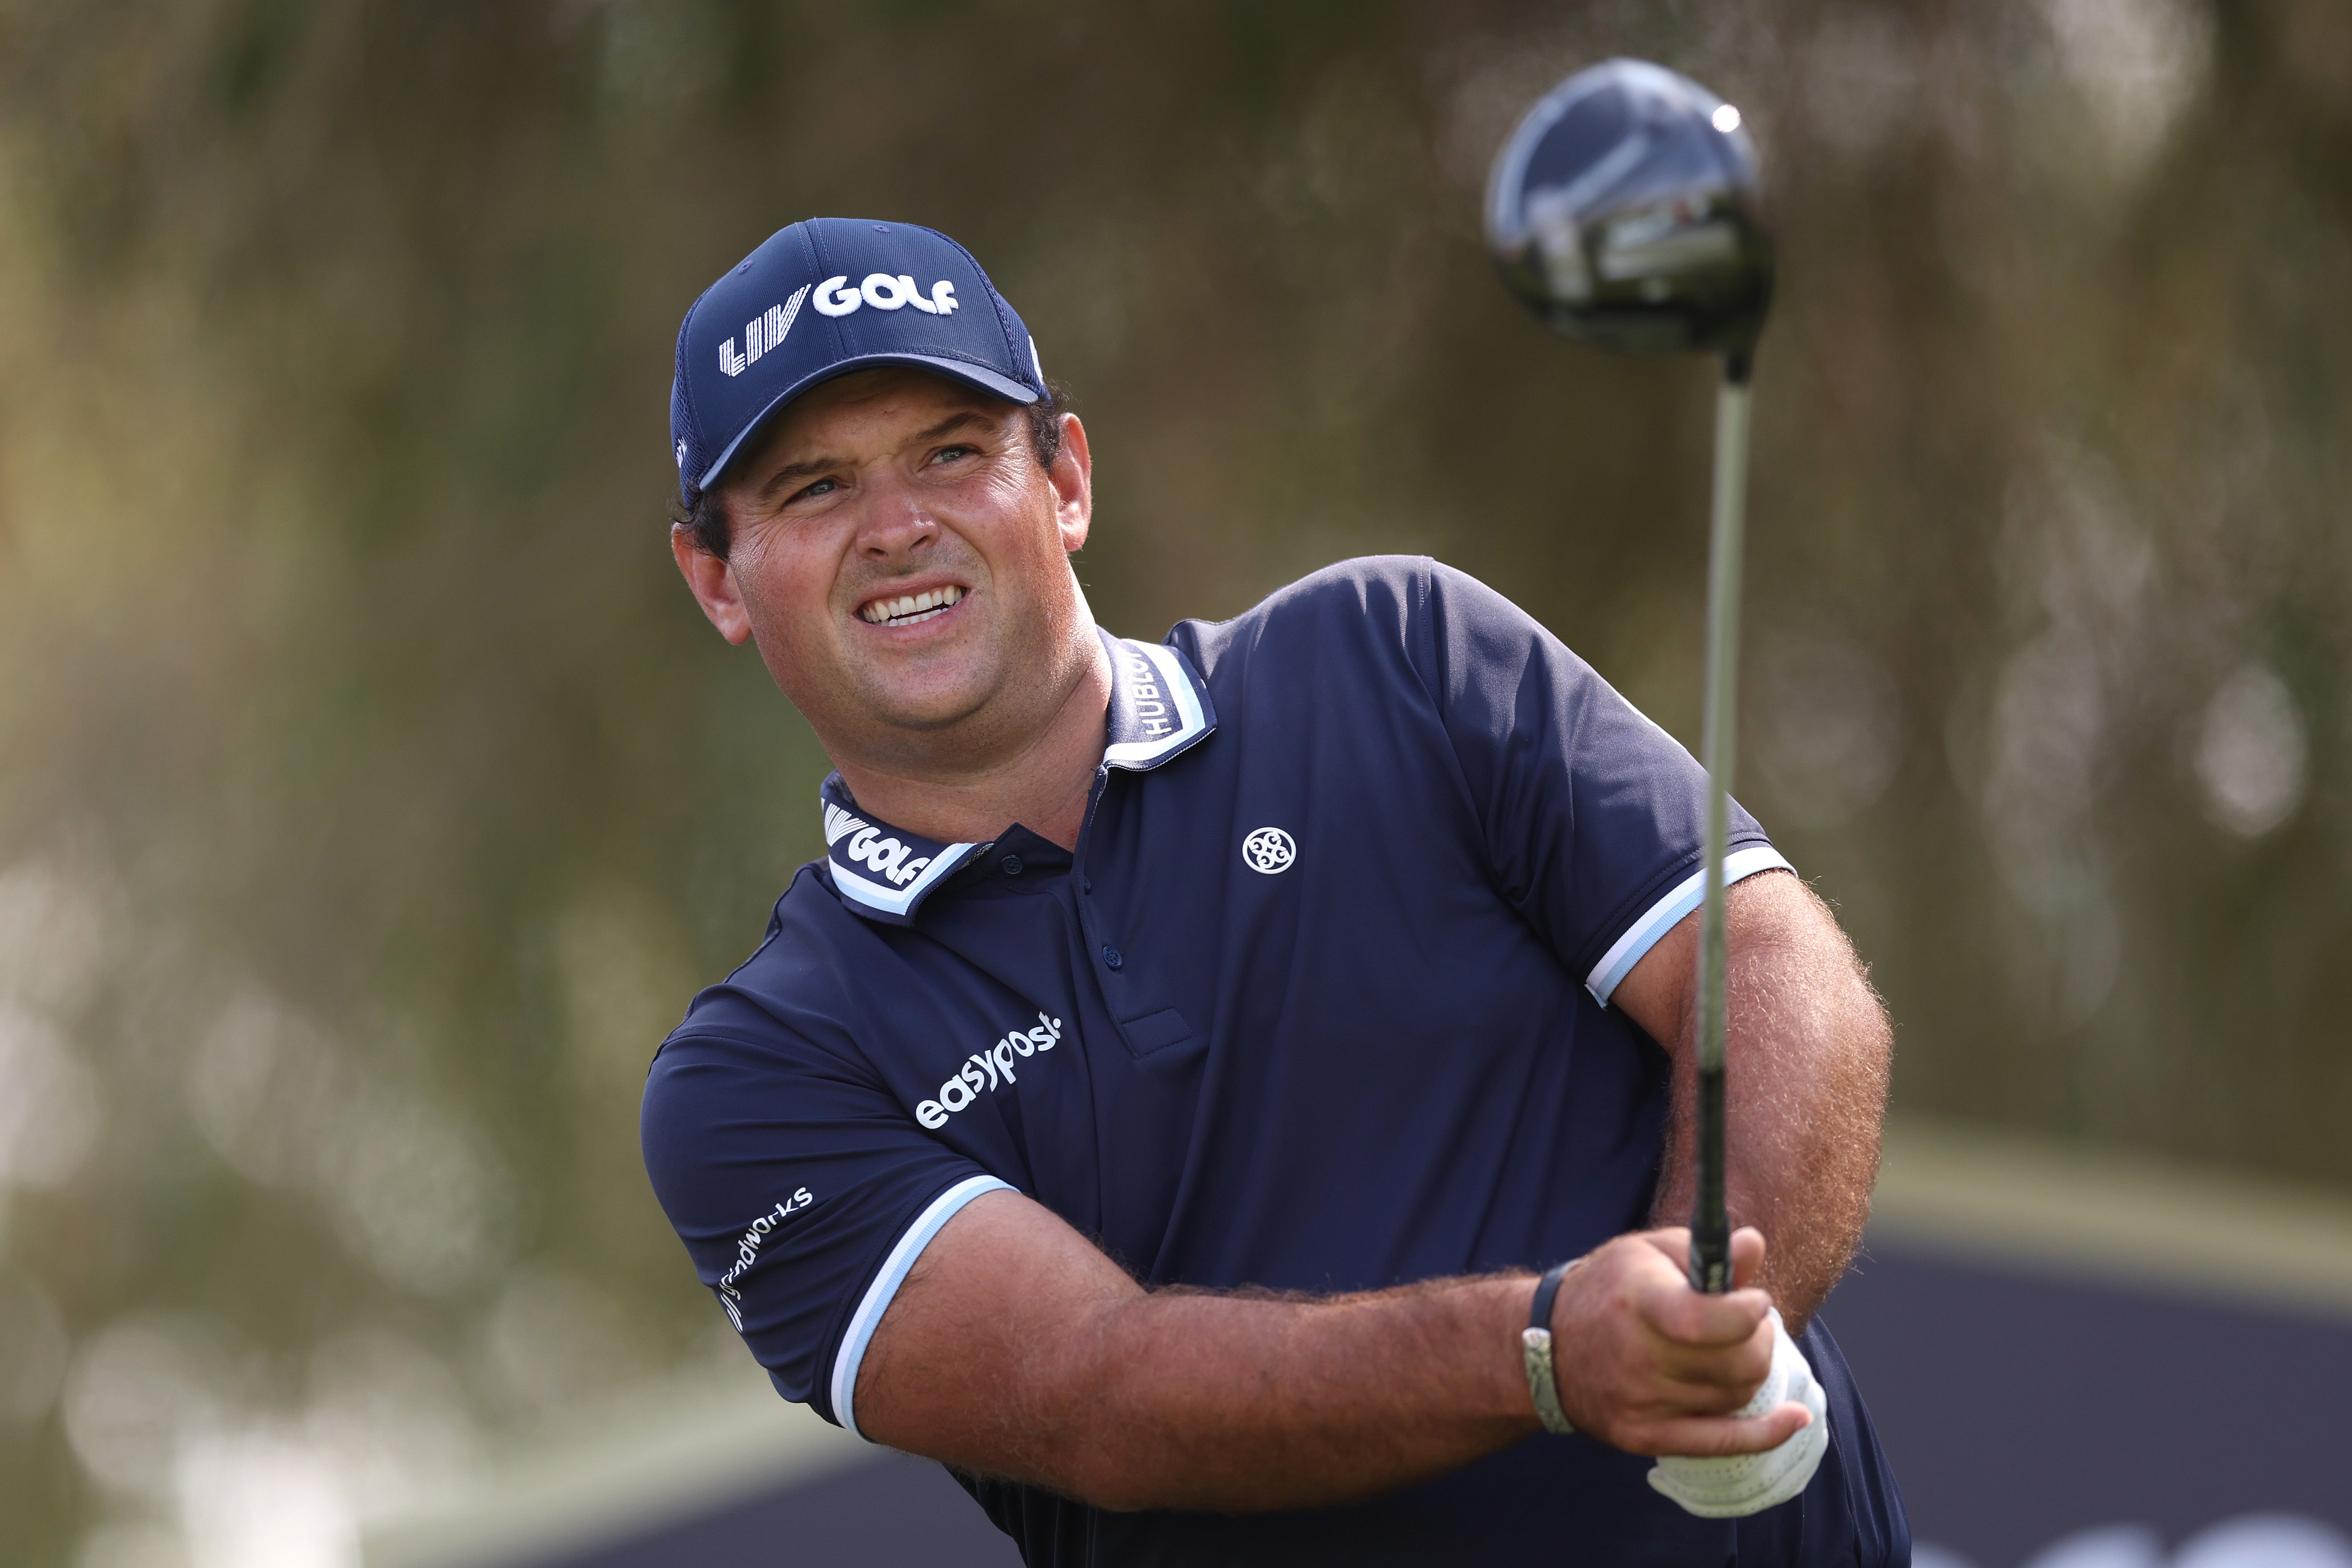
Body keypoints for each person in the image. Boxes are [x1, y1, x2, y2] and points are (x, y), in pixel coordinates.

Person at [642, 216, 1906, 1565]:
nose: (899, 528)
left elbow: (1772, 968)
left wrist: (1708, 1297)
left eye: (951, 452)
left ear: (1064, 478)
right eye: (813, 488)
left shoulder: (1397, 657)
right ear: (718, 577)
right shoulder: (762, 1073)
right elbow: (1097, 1393)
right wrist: (1546, 1349)